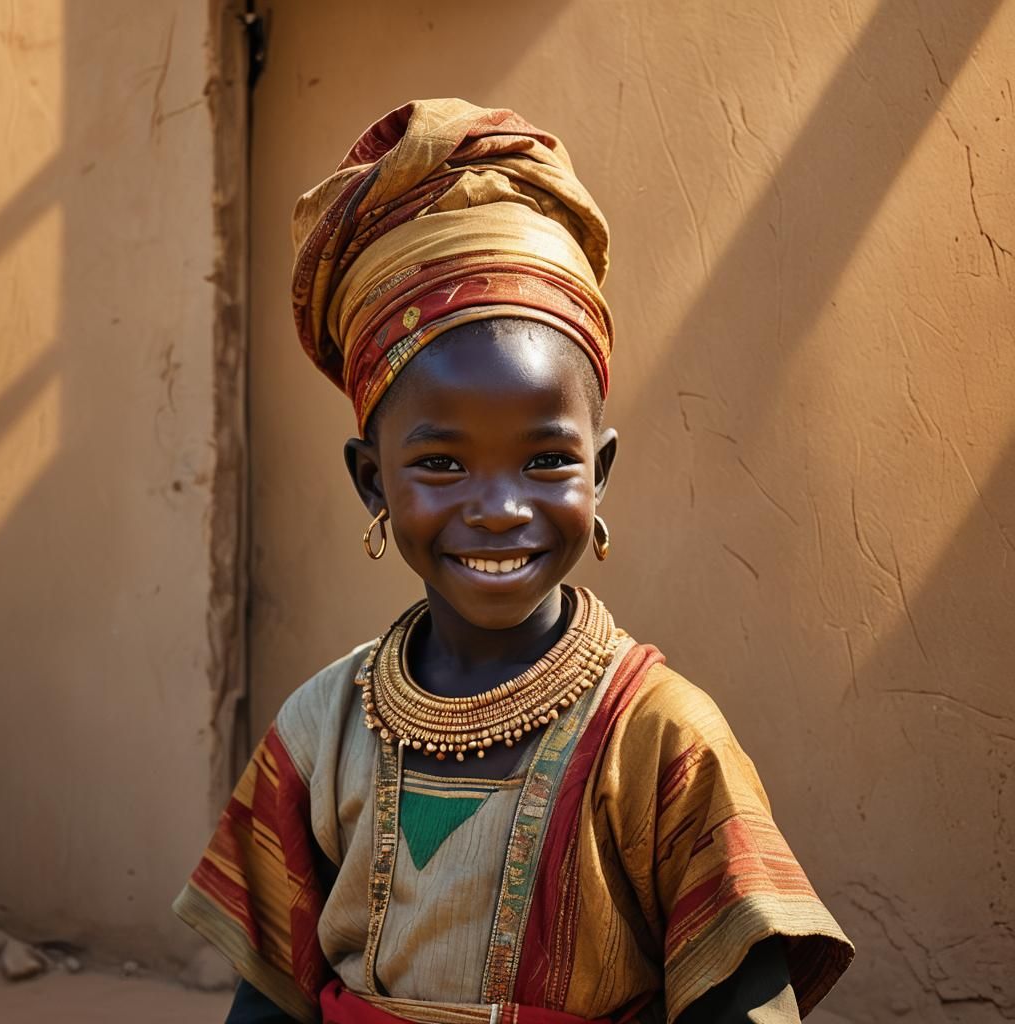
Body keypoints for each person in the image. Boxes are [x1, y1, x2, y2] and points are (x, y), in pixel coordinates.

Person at [173, 98, 853, 1024]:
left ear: (600, 473)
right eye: (442, 464)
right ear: (372, 483)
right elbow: (267, 999)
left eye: (547, 461)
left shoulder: (662, 741)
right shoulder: (320, 731)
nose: (498, 509)